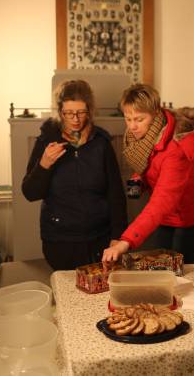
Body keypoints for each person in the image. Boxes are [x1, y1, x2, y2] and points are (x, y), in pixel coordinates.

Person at [101, 84, 194, 264]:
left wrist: (125, 242)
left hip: (192, 211)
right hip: (168, 212)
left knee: (179, 267)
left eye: (139, 119)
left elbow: (162, 200)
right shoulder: (144, 136)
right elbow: (147, 164)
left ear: (156, 113)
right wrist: (138, 182)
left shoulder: (176, 148)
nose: (132, 126)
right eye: (128, 119)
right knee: (161, 262)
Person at [22, 80, 127, 270]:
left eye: (81, 112)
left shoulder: (101, 143)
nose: (76, 119)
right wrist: (44, 164)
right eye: (69, 113)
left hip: (99, 239)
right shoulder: (46, 141)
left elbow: (116, 194)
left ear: (90, 110)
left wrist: (117, 237)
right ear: (60, 112)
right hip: (59, 240)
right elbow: (30, 193)